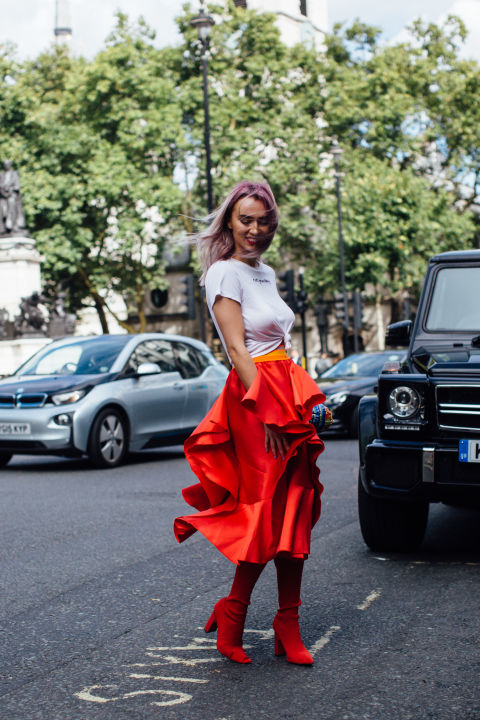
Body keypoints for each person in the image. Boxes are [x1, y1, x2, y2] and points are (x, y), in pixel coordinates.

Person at [174, 181, 326, 665]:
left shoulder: (267, 272)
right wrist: (268, 410)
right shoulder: (223, 272)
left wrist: (302, 393)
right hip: (255, 395)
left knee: (295, 505)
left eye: (264, 221)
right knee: (265, 511)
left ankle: (287, 620)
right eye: (246, 220)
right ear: (230, 222)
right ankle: (235, 611)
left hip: (286, 386)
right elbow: (237, 348)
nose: (255, 230)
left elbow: (277, 339)